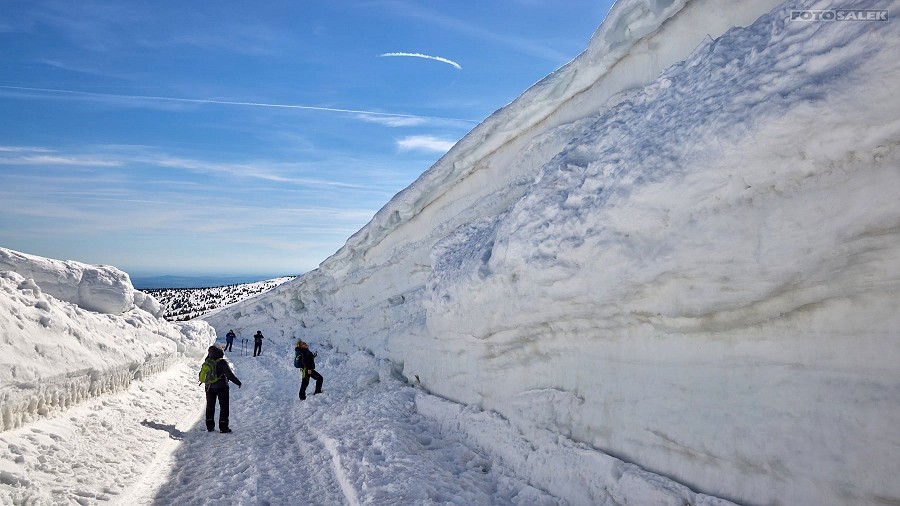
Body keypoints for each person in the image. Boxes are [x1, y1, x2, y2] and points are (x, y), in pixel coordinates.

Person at [203, 345, 241, 433]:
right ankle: (223, 427)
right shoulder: (222, 362)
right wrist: (238, 382)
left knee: (210, 406)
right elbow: (229, 375)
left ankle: (209, 426)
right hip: (222, 387)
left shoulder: (207, 361)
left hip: (208, 387)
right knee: (224, 407)